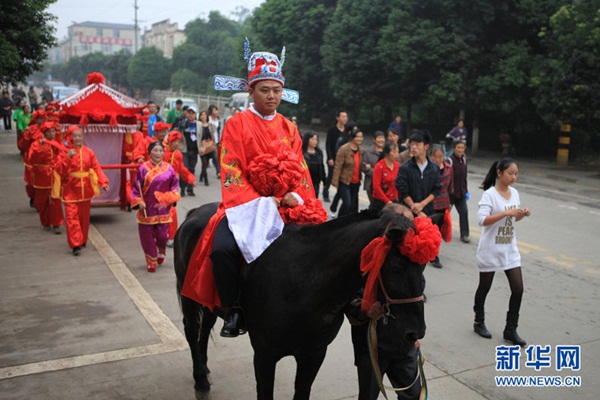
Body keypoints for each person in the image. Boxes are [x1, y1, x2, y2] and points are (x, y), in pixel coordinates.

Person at [180, 38, 327, 337]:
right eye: (265, 90)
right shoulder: (237, 125)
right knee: (222, 250)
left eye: (276, 90)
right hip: (247, 207)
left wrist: (295, 196)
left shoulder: (289, 127)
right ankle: (234, 307)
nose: (272, 96)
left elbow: (300, 168)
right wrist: (266, 201)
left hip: (288, 203)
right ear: (250, 90)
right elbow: (231, 170)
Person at [473, 158, 530, 347]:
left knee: (518, 289)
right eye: (510, 173)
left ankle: (510, 329)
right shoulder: (490, 195)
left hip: (509, 250)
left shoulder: (514, 193)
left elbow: (512, 221)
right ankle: (479, 321)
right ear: (499, 173)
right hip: (490, 250)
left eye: (516, 173)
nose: (514, 177)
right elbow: (482, 220)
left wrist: (520, 214)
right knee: (484, 287)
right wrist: (506, 213)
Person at [55, 126, 109, 255]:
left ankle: (82, 239)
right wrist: (67, 157)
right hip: (70, 190)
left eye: (80, 135)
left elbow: (96, 168)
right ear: (70, 137)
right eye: (75, 136)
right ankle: (75, 244)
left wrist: (103, 182)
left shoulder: (89, 152)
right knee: (71, 217)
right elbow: (59, 170)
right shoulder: (64, 152)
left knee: (84, 218)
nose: (78, 138)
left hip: (86, 190)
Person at [131, 142, 180, 272]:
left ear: (164, 153)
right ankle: (151, 261)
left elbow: (174, 186)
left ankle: (161, 250)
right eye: (155, 150)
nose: (158, 153)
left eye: (160, 150)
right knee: (147, 237)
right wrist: (138, 201)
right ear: (150, 153)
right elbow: (136, 188)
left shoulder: (169, 168)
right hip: (147, 210)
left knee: (163, 236)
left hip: (163, 209)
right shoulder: (143, 168)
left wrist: (172, 197)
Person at [27, 122, 65, 233]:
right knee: (43, 201)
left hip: (54, 175)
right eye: (48, 132)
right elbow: (31, 159)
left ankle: (56, 223)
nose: (51, 134)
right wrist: (42, 148)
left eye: (53, 131)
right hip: (41, 175)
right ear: (44, 133)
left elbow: (62, 157)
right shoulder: (36, 144)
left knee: (55, 200)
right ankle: (46, 222)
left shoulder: (57, 143)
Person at [163, 130, 196, 247]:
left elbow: (182, 169)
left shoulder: (178, 155)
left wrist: (191, 178)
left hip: (172, 187)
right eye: (175, 141)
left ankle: (171, 237)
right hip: (160, 186)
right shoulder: (161, 152)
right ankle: (160, 235)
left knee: (172, 211)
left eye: (178, 141)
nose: (177, 144)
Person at [331, 128, 365, 217]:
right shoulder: (344, 149)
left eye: (361, 137)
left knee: (352, 206)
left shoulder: (361, 150)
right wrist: (335, 182)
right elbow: (338, 166)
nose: (360, 139)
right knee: (347, 203)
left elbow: (362, 164)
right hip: (345, 181)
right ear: (352, 137)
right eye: (357, 137)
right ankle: (339, 220)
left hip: (356, 182)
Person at [430, 147, 453, 269]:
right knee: (431, 230)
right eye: (436, 156)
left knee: (438, 230)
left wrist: (451, 203)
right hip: (431, 202)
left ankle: (434, 253)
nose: (439, 159)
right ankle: (432, 255)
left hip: (444, 202)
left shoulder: (449, 168)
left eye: (441, 156)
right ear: (432, 157)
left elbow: (451, 186)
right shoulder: (429, 168)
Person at [323, 110, 348, 202]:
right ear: (337, 118)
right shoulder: (332, 130)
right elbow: (328, 144)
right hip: (333, 157)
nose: (345, 119)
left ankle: (340, 195)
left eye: (346, 117)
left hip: (343, 159)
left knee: (342, 177)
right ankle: (325, 191)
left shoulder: (347, 131)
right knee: (330, 177)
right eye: (343, 116)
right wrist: (330, 158)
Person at [448, 140, 470, 243]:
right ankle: (437, 232)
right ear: (454, 148)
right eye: (458, 148)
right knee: (444, 215)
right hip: (450, 194)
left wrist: (466, 191)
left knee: (464, 212)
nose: (460, 150)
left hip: (461, 192)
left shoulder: (464, 159)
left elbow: (464, 177)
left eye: (462, 148)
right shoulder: (450, 161)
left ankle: (465, 234)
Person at [370, 143, 400, 212]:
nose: (397, 154)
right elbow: (376, 186)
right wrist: (387, 201)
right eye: (394, 152)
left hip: (393, 200)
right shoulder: (379, 166)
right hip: (380, 201)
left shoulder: (397, 165)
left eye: (397, 152)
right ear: (387, 153)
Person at [177, 106, 199, 197]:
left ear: (195, 115)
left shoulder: (199, 125)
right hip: (184, 150)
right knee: (184, 169)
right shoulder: (182, 123)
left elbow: (203, 136)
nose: (190, 115)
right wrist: (180, 128)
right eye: (189, 113)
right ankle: (182, 189)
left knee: (191, 169)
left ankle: (190, 189)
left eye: (192, 113)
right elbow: (177, 134)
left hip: (194, 151)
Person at [362, 130, 385, 206]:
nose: (381, 140)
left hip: (385, 183)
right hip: (371, 183)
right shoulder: (367, 152)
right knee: (374, 204)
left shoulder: (387, 151)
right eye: (379, 138)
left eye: (382, 138)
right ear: (374, 140)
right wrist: (379, 172)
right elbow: (363, 167)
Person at [302, 131, 326, 198]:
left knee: (314, 198)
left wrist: (324, 180)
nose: (315, 141)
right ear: (307, 140)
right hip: (305, 181)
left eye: (316, 139)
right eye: (312, 139)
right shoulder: (302, 152)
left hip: (316, 181)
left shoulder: (319, 152)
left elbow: (322, 166)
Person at [198, 110, 216, 186]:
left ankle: (202, 175)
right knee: (204, 163)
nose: (203, 116)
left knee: (211, 160)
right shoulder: (198, 125)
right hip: (201, 147)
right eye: (201, 115)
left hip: (209, 146)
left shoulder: (210, 126)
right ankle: (206, 179)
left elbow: (212, 136)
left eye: (204, 115)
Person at [207, 104, 221, 178]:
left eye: (216, 110)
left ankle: (218, 171)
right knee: (211, 156)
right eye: (214, 110)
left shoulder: (218, 119)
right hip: (209, 140)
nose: (216, 112)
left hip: (216, 140)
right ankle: (204, 173)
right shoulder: (208, 119)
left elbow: (218, 130)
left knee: (216, 156)